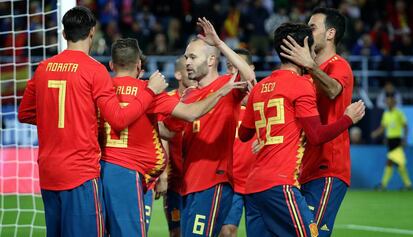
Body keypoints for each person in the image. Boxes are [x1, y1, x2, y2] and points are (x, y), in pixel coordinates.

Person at [17, 6, 168, 237]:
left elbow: (24, 114)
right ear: (92, 33)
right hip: (81, 174)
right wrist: (150, 92)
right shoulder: (95, 70)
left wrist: (63, 119)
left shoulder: (43, 69)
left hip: (48, 173)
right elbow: (118, 119)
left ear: (64, 34)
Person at [99, 38, 245, 237]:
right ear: (139, 65)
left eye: (192, 57)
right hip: (132, 173)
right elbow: (188, 115)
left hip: (98, 173)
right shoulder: (148, 93)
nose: (187, 62)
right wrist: (220, 92)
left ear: (111, 64)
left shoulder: (100, 90)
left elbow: (166, 130)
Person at [238, 22, 365, 237]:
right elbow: (316, 135)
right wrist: (347, 119)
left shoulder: (260, 87)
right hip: (280, 184)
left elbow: (244, 134)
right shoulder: (301, 85)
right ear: (302, 48)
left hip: (253, 188)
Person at [163, 17, 255, 237]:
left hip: (214, 181)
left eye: (193, 57)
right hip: (188, 185)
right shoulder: (188, 96)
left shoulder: (227, 85)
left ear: (212, 60)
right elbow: (168, 131)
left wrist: (220, 43)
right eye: (186, 57)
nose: (187, 62)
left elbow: (249, 76)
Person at [281, 8, 354, 236]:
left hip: (328, 166)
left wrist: (310, 66)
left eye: (313, 27)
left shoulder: (338, 65)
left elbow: (333, 90)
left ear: (330, 33)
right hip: (304, 167)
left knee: (305, 232)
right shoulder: (306, 73)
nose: (308, 31)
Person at [219, 48, 256, 237]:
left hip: (257, 181)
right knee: (226, 231)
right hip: (230, 181)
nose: (233, 72)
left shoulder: (263, 100)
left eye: (237, 67)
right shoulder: (220, 100)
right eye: (229, 67)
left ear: (250, 69)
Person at [161, 55, 197, 237]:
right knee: (176, 232)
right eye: (187, 69)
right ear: (177, 74)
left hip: (199, 183)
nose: (192, 72)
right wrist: (162, 175)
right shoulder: (166, 102)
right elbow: (161, 138)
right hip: (174, 184)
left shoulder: (204, 100)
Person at [371, 93, 412, 190]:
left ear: (394, 102)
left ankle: (384, 184)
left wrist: (404, 139)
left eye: (390, 102)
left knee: (391, 162)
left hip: (397, 141)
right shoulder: (386, 114)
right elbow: (383, 127)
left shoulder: (399, 113)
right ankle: (408, 185)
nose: (388, 103)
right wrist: (376, 133)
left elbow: (405, 126)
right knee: (398, 164)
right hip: (390, 142)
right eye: (387, 102)